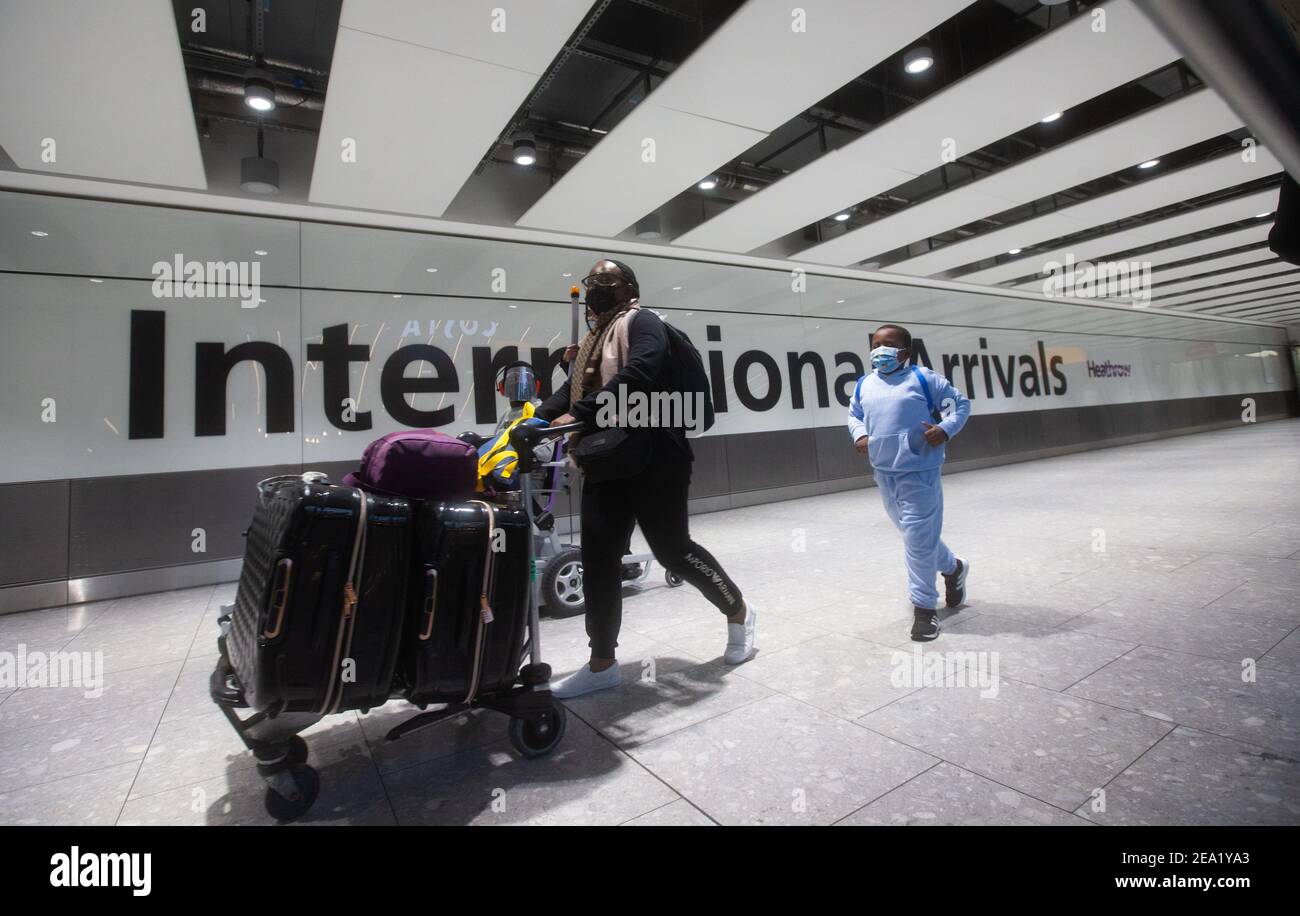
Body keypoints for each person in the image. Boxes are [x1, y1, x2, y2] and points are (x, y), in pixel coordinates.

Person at [536, 258, 758, 697]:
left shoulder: (643, 322)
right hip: (604, 458)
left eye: (607, 281)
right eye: (591, 281)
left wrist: (575, 414)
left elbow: (641, 373)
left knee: (673, 551)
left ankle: (739, 613)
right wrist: (531, 422)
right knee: (599, 560)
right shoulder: (591, 343)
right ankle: (602, 664)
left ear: (628, 289)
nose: (597, 288)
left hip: (657, 454)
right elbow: (570, 393)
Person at [848, 324, 971, 641]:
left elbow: (960, 404)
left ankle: (925, 611)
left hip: (920, 470)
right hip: (884, 471)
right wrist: (859, 434)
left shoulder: (924, 378)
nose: (880, 351)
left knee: (917, 538)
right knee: (915, 534)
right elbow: (855, 414)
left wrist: (945, 429)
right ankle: (953, 567)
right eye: (876, 344)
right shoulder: (864, 385)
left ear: (905, 351)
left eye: (888, 344)